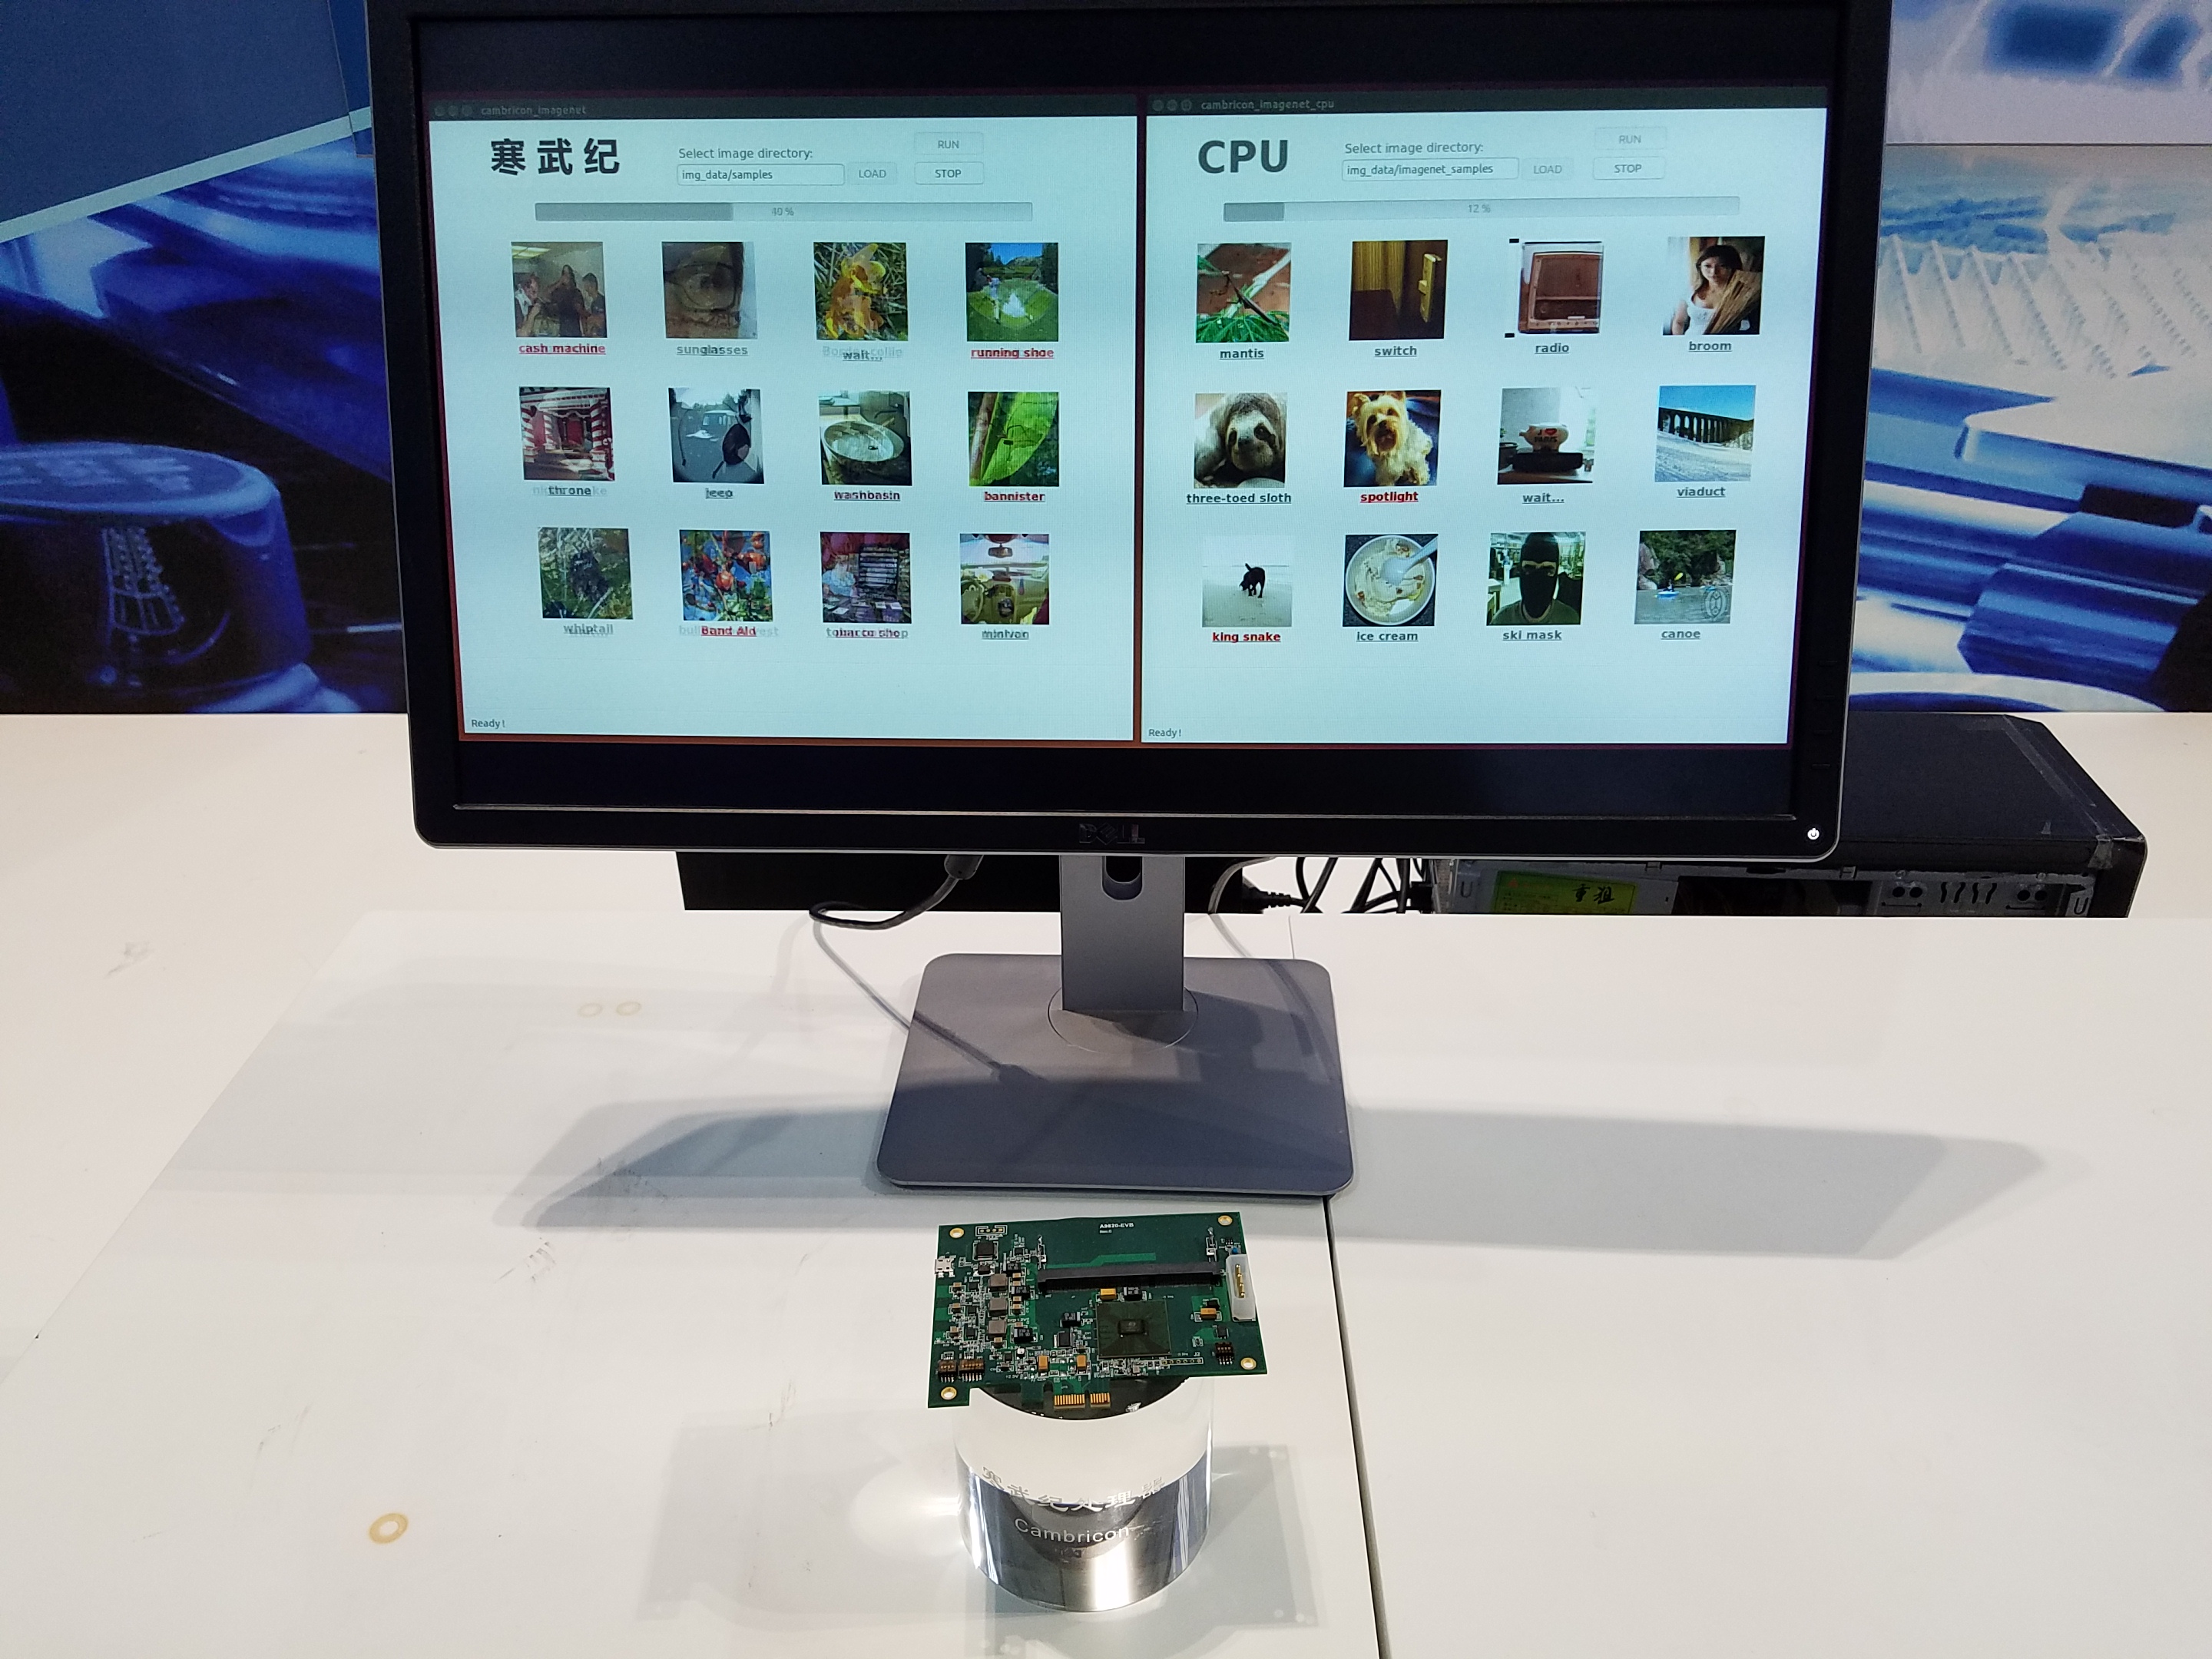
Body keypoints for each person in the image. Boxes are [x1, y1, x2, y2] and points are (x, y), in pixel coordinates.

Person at [1667, 241, 1761, 336]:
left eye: (1722, 266)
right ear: (1700, 267)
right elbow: (1679, 322)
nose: (1714, 272)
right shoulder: (1691, 290)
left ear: (1733, 267)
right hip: (1692, 342)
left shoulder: (1745, 293)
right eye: (1707, 266)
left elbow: (1755, 328)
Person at [1490, 531, 1580, 625]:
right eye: (1529, 568)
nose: (1538, 579)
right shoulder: (1500, 620)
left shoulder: (1571, 619)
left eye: (1547, 569)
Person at [579, 272, 606, 337]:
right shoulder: (593, 304)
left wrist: (591, 319)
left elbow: (602, 322)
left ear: (593, 285)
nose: (586, 289)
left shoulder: (601, 301)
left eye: (587, 286)